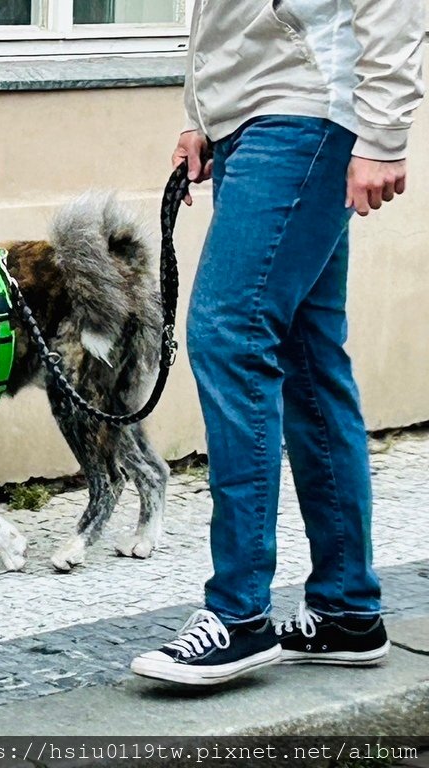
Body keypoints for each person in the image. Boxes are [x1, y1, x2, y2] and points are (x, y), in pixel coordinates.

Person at [130, 0, 426, 686]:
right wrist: (201, 116)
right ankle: (347, 610)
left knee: (228, 335)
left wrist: (382, 132)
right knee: (309, 360)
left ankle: (239, 615)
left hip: (304, 110)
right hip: (256, 115)